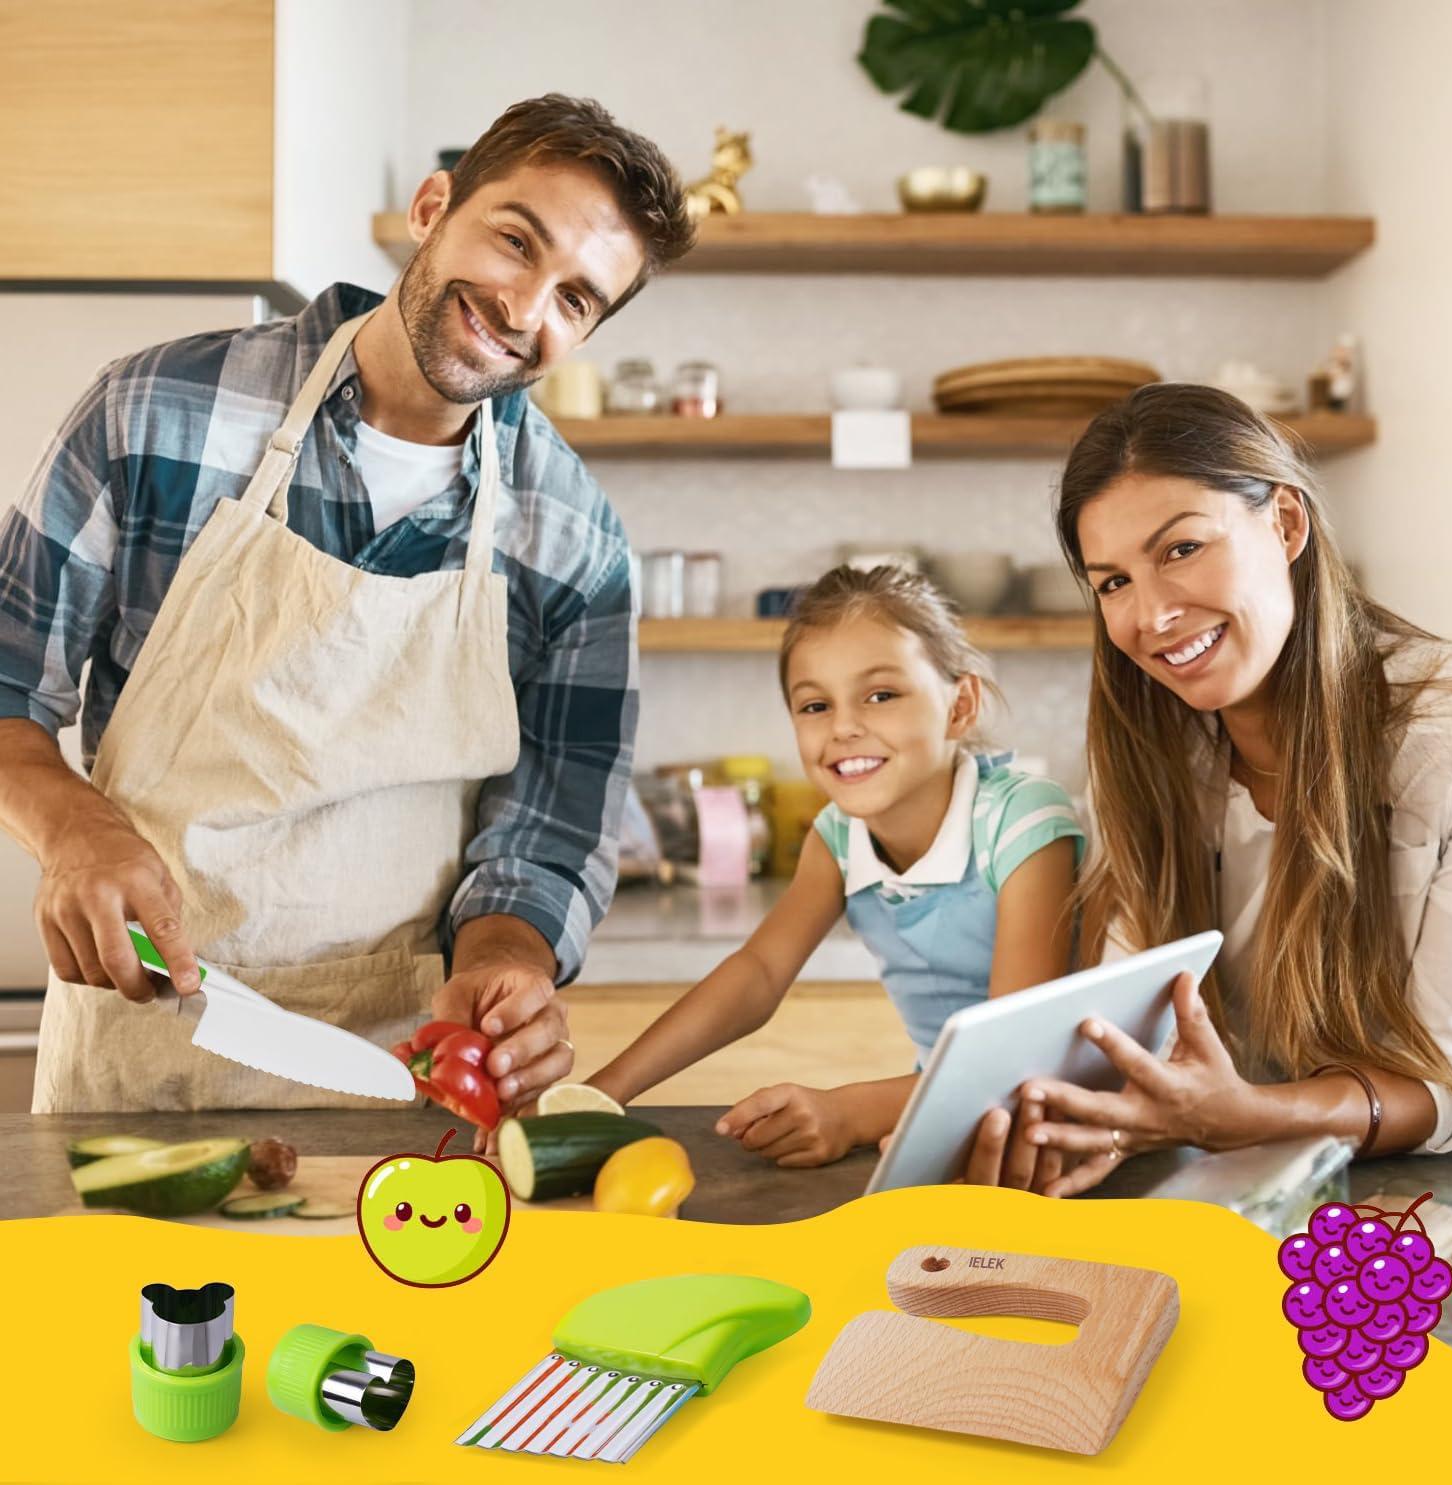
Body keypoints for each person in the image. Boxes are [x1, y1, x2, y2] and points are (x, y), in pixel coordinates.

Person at [0, 94, 695, 1115]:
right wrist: (75, 833)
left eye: (576, 299)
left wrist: (509, 959)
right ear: (430, 208)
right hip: (142, 1040)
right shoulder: (156, 412)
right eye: (514, 242)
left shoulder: (574, 542)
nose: (523, 308)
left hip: (405, 1072)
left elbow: (546, 832)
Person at [962, 383, 1452, 1196]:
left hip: (1439, 1181)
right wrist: (1110, 1118)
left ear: (1286, 523)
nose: (1153, 614)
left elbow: (1442, 1085)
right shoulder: (1144, 754)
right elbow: (1140, 1029)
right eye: (1113, 583)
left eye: (1181, 549)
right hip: (1247, 1171)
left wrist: (1240, 1114)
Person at [587, 566, 1084, 1174]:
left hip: (1063, 1120)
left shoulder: (1023, 820)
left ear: (960, 706)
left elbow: (1017, 1057)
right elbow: (759, 973)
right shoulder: (838, 837)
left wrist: (847, 1114)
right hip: (944, 1111)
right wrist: (603, 1092)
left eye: (881, 695)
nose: (844, 727)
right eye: (816, 705)